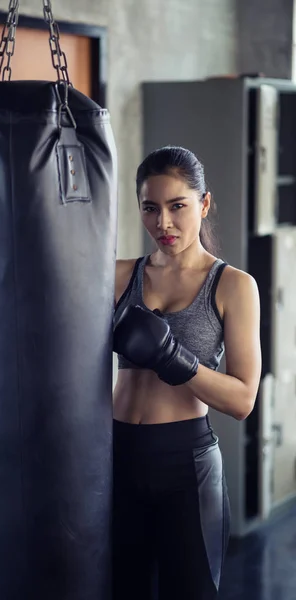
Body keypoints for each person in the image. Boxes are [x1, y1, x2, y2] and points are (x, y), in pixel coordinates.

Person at [112, 146, 261, 600]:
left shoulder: (233, 286)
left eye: (178, 206)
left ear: (204, 204)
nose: (164, 224)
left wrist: (173, 357)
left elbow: (242, 400)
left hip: (185, 464)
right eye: (150, 208)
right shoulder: (119, 276)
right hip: (115, 456)